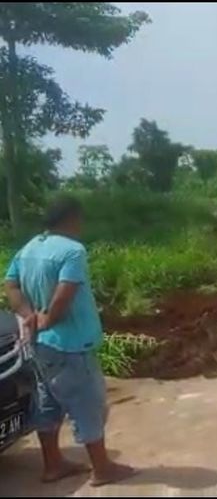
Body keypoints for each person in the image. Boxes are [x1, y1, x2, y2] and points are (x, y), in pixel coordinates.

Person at [4, 195, 137, 487]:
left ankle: (53, 465)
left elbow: (10, 284)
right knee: (88, 404)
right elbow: (66, 292)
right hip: (71, 344)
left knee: (47, 403)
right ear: (73, 218)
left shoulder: (28, 249)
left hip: (39, 344)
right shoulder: (72, 251)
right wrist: (49, 318)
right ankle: (102, 469)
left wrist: (30, 316)